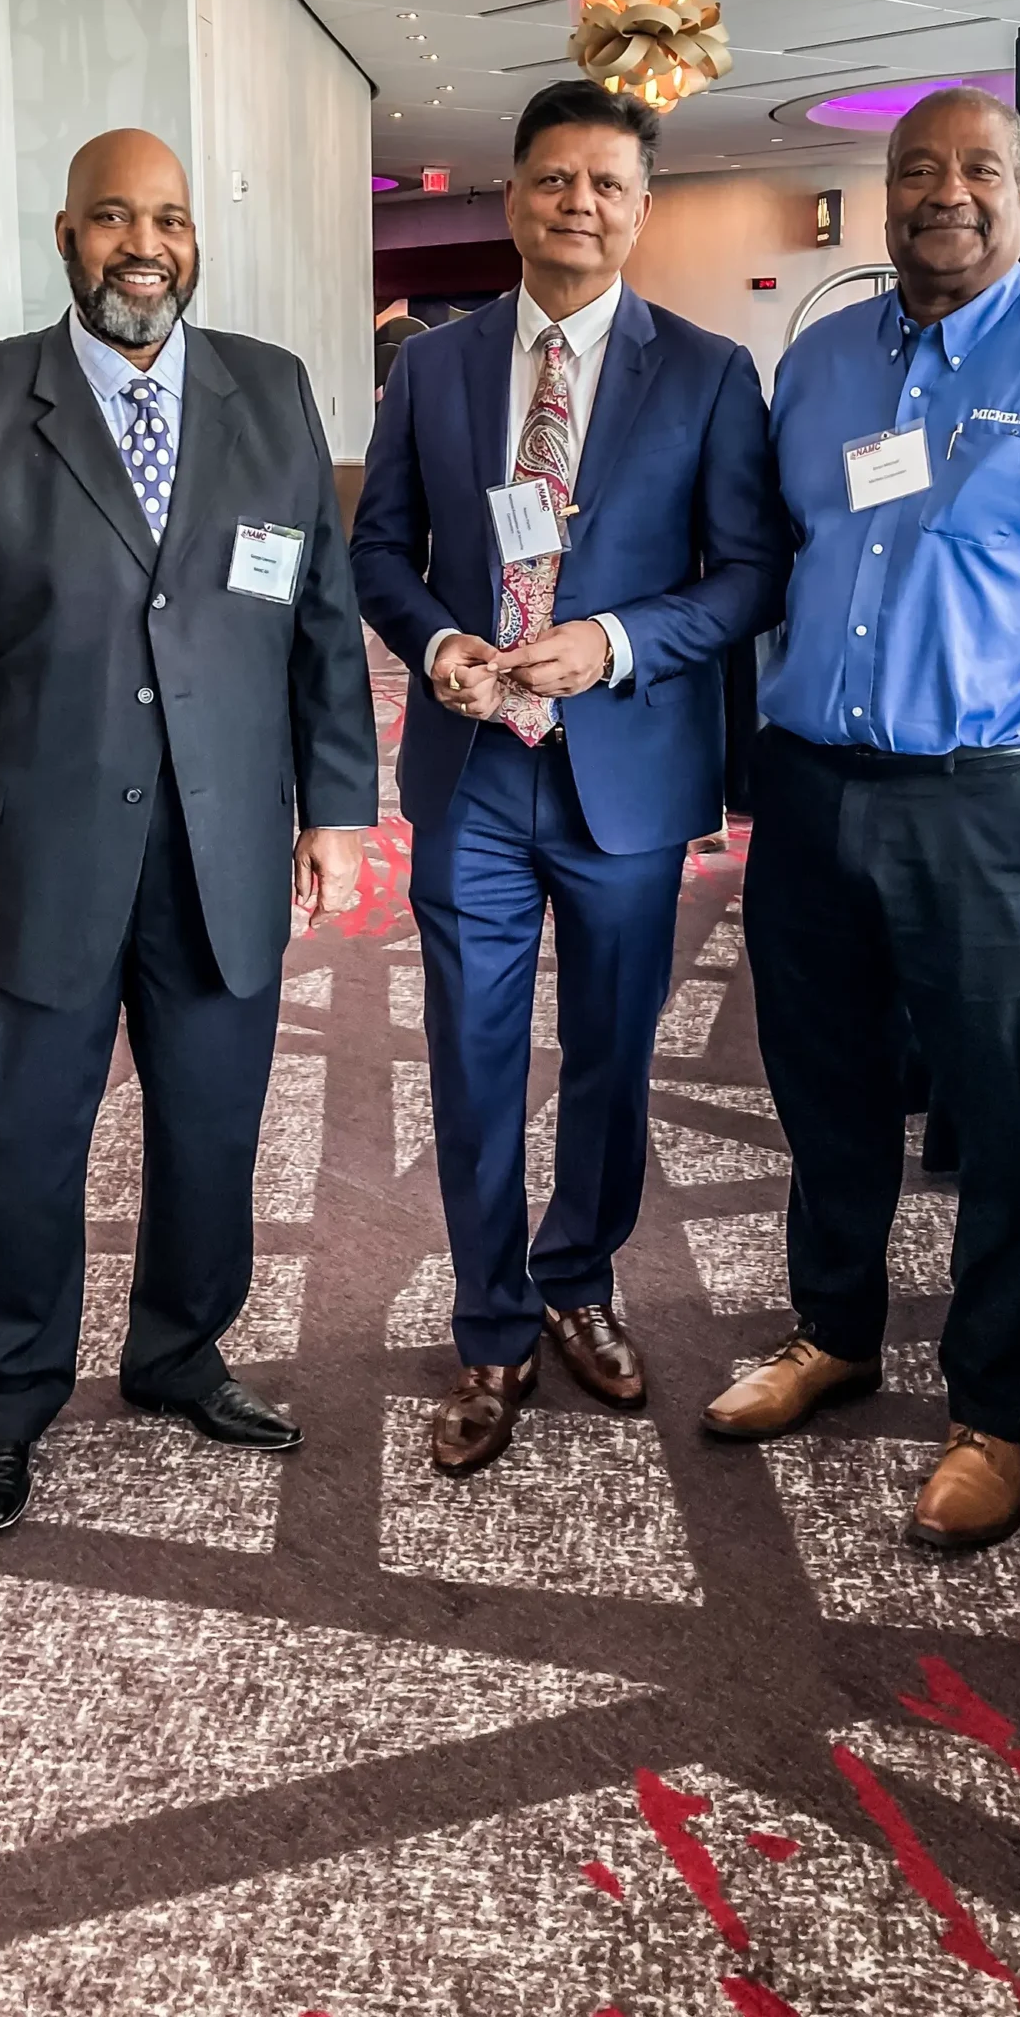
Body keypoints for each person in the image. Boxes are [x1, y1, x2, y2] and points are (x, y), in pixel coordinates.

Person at [703, 87, 1020, 1551]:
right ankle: (835, 1334)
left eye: (980, 169)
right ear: (884, 193)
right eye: (918, 168)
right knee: (823, 1083)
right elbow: (793, 551)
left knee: (1009, 1116)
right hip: (809, 790)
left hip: (990, 806)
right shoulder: (823, 364)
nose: (947, 192)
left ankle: (996, 1412)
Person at [0, 128, 378, 1534]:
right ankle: (8, 1394)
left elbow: (322, 626)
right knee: (21, 1136)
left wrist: (337, 803)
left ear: (191, 241)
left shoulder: (270, 395)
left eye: (164, 219)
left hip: (224, 847)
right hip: (32, 853)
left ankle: (178, 1351)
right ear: (64, 236)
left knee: (213, 1128)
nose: (141, 244)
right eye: (112, 218)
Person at [351, 80, 786, 1475]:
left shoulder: (711, 374)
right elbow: (380, 555)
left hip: (630, 779)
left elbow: (747, 575)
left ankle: (579, 1283)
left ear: (642, 206)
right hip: (476, 768)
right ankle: (491, 1324)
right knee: (472, 1060)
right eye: (553, 179)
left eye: (606, 183)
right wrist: (436, 646)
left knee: (608, 1056)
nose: (577, 204)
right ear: (514, 194)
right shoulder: (434, 366)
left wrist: (615, 641)